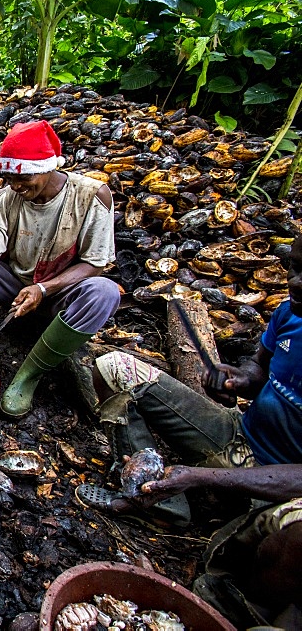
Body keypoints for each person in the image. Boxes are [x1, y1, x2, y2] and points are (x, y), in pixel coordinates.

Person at [75, 238, 302, 626]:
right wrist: (239, 379)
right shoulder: (292, 312)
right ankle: (156, 499)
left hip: (286, 488)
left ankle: (239, 606)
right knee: (115, 369)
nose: (295, 282)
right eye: (294, 268)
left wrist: (199, 478)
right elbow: (260, 368)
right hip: (238, 436)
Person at [0, 120, 119, 418]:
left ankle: (27, 376)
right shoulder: (6, 199)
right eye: (9, 179)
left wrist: (44, 289)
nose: (16, 186)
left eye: (24, 178)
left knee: (104, 292)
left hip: (59, 295)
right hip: (14, 287)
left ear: (48, 167)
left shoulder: (91, 196)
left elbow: (95, 263)